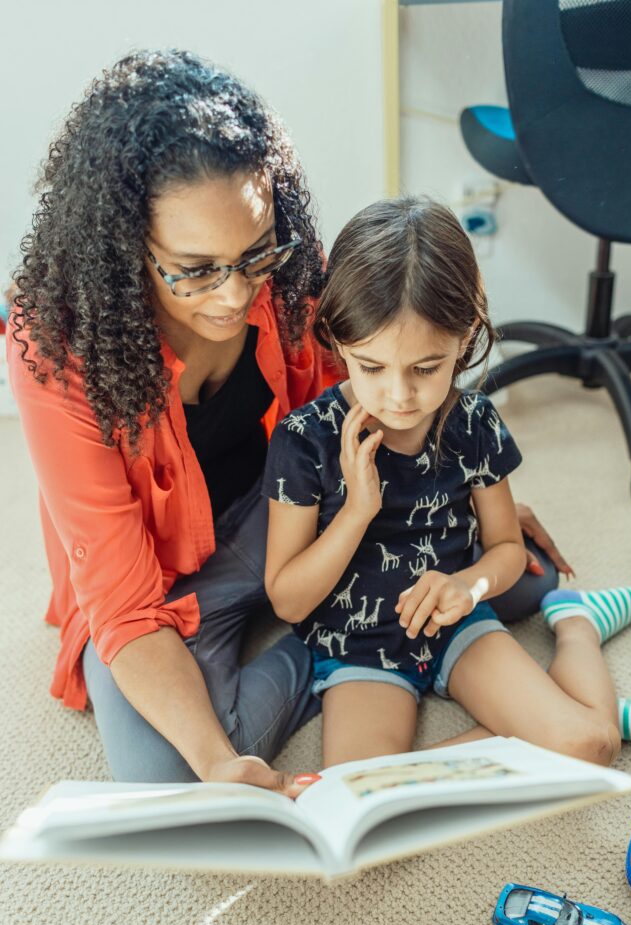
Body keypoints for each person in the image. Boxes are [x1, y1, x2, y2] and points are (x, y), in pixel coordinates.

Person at [6, 50, 596, 791]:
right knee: (170, 779)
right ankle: (323, 649)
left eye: (253, 254)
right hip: (166, 578)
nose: (234, 295)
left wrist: (461, 489)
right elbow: (123, 604)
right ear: (122, 247)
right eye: (195, 269)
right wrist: (218, 760)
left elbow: (366, 395)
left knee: (527, 574)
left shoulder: (285, 271)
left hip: (299, 511)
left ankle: (352, 637)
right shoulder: (56, 349)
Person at [262, 197, 631, 769]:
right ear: (335, 338)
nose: (399, 395)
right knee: (357, 799)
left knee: (591, 747)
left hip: (459, 625)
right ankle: (552, 715)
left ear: (466, 335)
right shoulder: (304, 441)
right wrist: (357, 510)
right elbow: (287, 599)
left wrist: (470, 587)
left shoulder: (473, 422)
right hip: (357, 649)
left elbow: (506, 548)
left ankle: (577, 625)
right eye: (372, 367)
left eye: (426, 368)